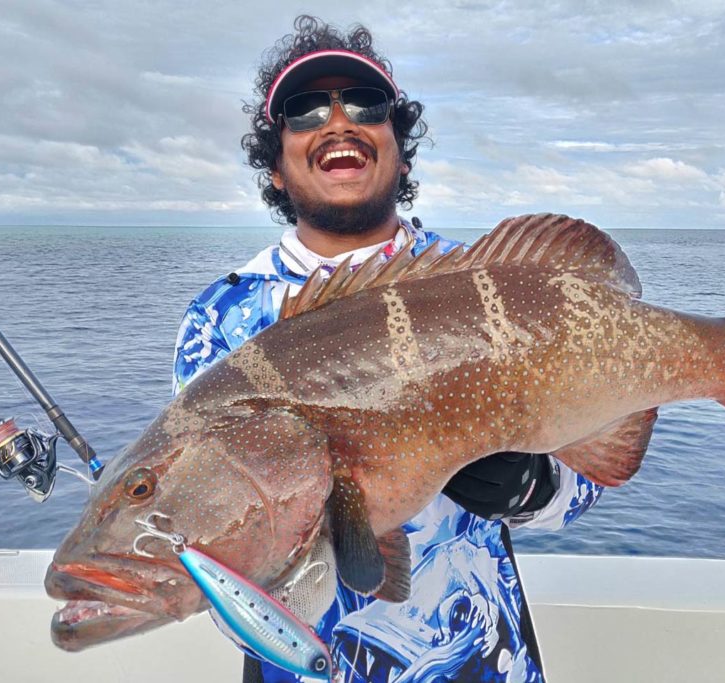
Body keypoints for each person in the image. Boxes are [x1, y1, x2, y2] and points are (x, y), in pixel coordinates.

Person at [172, 15, 602, 683]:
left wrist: (535, 484)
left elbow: (591, 474)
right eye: (305, 110)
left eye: (367, 105)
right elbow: (201, 526)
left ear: (401, 151)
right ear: (276, 167)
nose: (338, 121)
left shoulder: (486, 282)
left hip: (482, 660)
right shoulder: (220, 318)